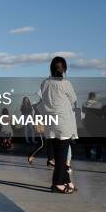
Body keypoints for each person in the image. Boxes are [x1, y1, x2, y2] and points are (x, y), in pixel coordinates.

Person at [34, 56, 78, 194]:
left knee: (59, 155)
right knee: (62, 155)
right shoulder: (66, 83)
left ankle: (67, 181)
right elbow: (73, 100)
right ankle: (58, 183)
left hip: (50, 122)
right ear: (64, 69)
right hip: (63, 122)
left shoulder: (44, 83)